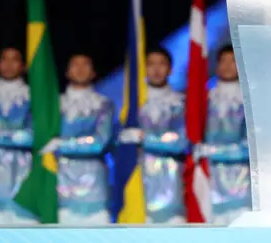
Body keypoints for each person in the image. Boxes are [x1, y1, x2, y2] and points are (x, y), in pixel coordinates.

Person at [117, 47, 188, 223]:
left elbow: (181, 142)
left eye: (161, 64)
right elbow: (117, 140)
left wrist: (143, 137)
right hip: (138, 190)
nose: (156, 69)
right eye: (151, 64)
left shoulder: (181, 103)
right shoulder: (132, 104)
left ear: (170, 69)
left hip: (172, 191)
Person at [193, 44, 251, 225]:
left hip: (241, 190)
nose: (227, 65)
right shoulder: (204, 99)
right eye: (223, 61)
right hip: (210, 188)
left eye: (232, 61)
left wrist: (212, 151)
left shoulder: (249, 100)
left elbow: (249, 149)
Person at [55, 53, 113, 224]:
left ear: (93, 72)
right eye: (75, 64)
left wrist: (62, 143)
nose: (80, 69)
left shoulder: (103, 104)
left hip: (94, 189)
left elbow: (100, 142)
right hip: (61, 187)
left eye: (85, 64)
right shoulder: (54, 103)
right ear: (67, 72)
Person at [0, 47, 37, 224]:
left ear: (24, 66)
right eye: (5, 59)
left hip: (22, 171)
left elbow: (34, 135)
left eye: (15, 59)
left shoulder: (34, 96)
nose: (10, 64)